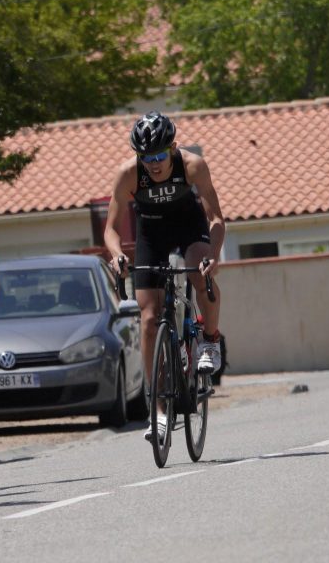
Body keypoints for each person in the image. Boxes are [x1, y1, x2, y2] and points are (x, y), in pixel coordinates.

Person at [104, 111, 225, 443]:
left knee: (200, 272)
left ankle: (210, 341)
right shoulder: (129, 174)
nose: (153, 163)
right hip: (151, 234)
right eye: (146, 157)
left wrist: (213, 256)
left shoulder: (193, 166)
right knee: (147, 316)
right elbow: (111, 229)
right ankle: (157, 410)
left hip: (189, 226)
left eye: (159, 155)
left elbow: (215, 218)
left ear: (173, 147)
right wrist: (116, 255)